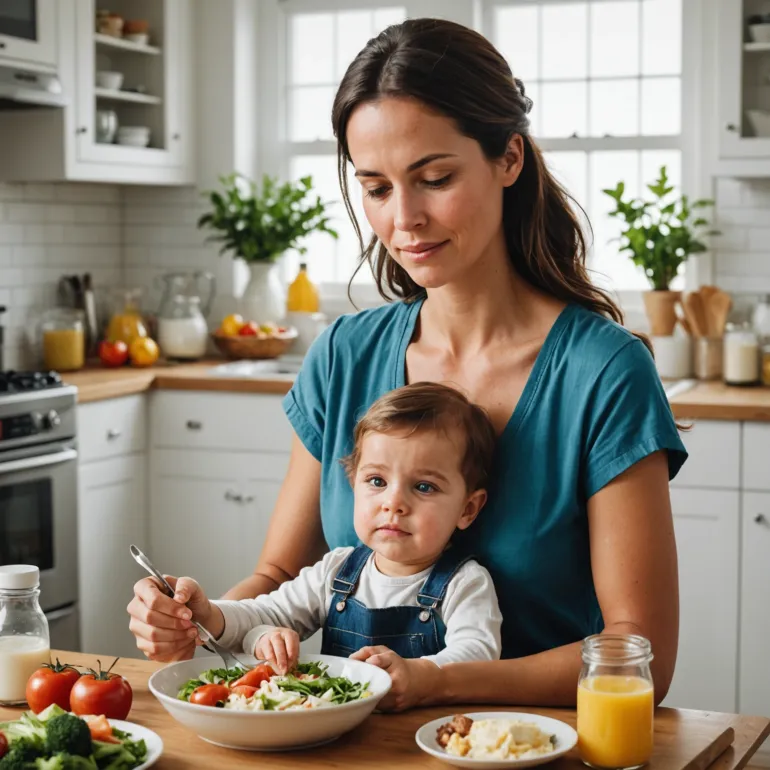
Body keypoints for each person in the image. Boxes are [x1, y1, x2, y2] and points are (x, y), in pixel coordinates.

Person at [128, 18, 687, 713]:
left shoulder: (603, 372)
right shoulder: (345, 353)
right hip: (345, 750)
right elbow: (279, 575)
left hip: (529, 749)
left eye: (435, 178)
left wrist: (434, 682)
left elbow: (640, 653)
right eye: (377, 187)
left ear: (509, 158)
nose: (404, 219)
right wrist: (197, 619)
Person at [158, 383, 502, 700]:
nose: (393, 502)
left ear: (467, 509)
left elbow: (478, 654)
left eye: (424, 486)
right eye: (377, 480)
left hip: (419, 738)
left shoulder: (465, 583)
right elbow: (264, 613)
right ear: (354, 483)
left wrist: (422, 674)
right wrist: (214, 615)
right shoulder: (337, 571)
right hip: (335, 736)